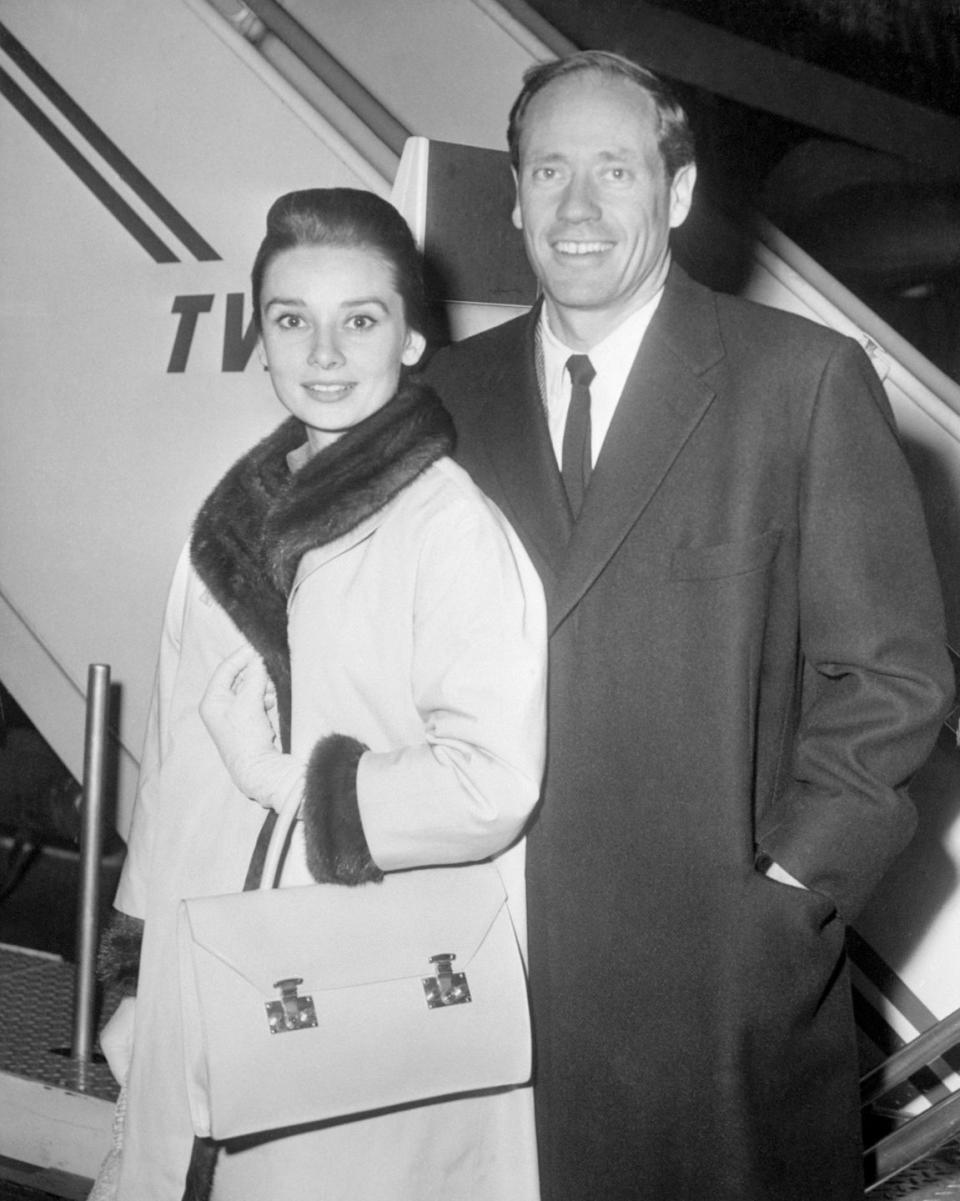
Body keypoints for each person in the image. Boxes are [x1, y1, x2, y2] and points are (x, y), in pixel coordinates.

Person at [424, 50, 954, 1201]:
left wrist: (790, 894)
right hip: (484, 974)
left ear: (677, 194)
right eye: (549, 170)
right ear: (511, 198)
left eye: (614, 171)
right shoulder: (448, 403)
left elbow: (894, 678)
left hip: (714, 995)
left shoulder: (798, 382)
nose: (576, 207)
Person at [93, 187, 547, 1201]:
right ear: (261, 341)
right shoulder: (226, 519)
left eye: (362, 320)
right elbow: (172, 763)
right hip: (206, 968)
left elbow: (490, 782)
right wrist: (138, 972)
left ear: (415, 339)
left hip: (362, 984)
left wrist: (297, 783)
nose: (326, 353)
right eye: (294, 320)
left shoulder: (450, 528)